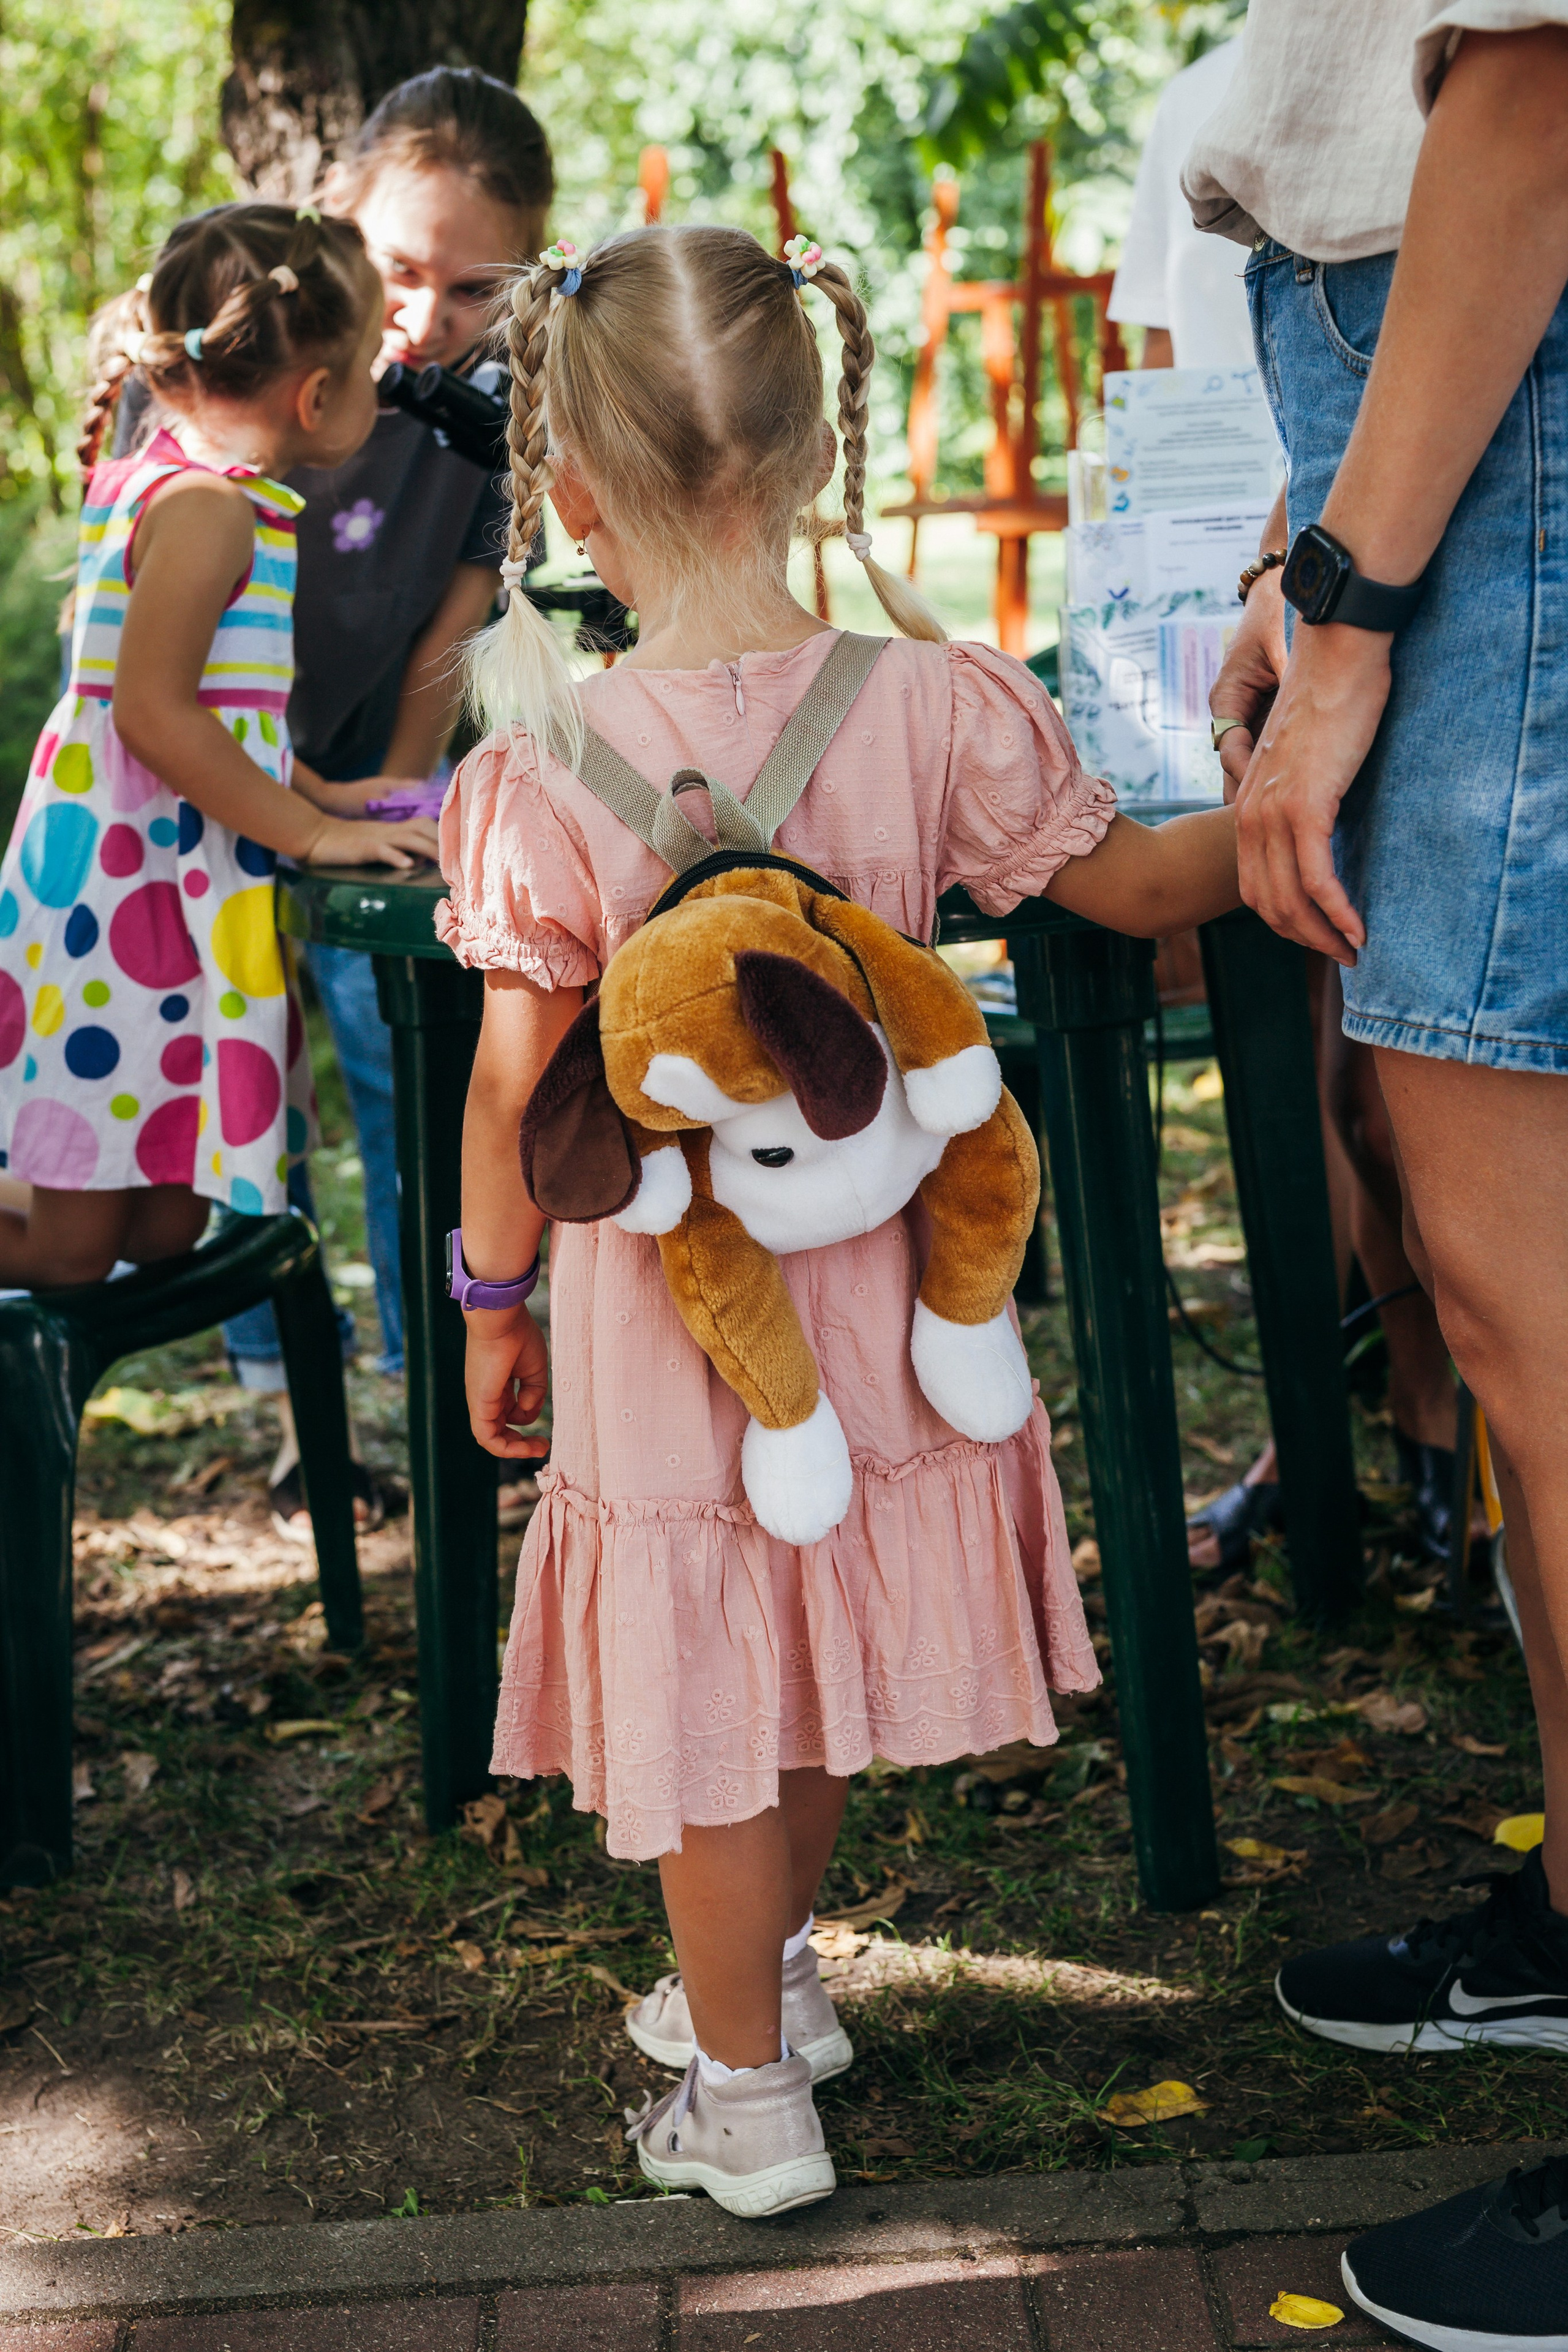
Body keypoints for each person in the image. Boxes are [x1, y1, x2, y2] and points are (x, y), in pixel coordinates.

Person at [437, 221, 1242, 2217]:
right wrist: (1306, 777)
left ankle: (745, 2102)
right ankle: (775, 1988)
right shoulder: (935, 707)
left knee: (710, 1678)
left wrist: (488, 1298)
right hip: (876, 1298)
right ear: (814, 454)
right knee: (795, 1641)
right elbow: (1147, 894)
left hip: (663, 1318)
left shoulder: (546, 761)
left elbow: (513, 1094)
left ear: (572, 490)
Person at [1186, 9, 1568, 2343]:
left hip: (1501, 462)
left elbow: (1535, 94)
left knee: (1554, 1343)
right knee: (1518, 1330)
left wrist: (1348, 622)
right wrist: (1302, 546)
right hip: (1448, 445)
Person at [1111, 32, 1460, 1574]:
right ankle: (1333, 1424)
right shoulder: (1205, 92)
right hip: (1272, 590)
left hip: (1386, 580)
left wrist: (1323, 603)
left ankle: (1445, 1413)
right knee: (1312, 1072)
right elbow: (1175, 383)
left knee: (1396, 1076)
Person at [207, 70, 555, 1530]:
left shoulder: (496, 410)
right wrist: (297, 802)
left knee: (408, 1043)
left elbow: (450, 631)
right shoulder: (232, 346)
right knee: (243, 1078)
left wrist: (399, 798)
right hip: (206, 758)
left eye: (475, 289)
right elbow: (171, 655)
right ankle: (296, 1412)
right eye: (399, 269)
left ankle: (442, 1374)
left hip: (366, 754)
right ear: (329, 214)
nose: (424, 319)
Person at [0, 205, 436, 1286]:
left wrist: (322, 792)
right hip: (122, 904)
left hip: (165, 894)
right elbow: (150, 715)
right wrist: (309, 836)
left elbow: (218, 714)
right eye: (369, 367)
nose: (379, 390)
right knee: (71, 1252)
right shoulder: (207, 510)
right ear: (316, 394)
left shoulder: (197, 486)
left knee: (164, 1229)